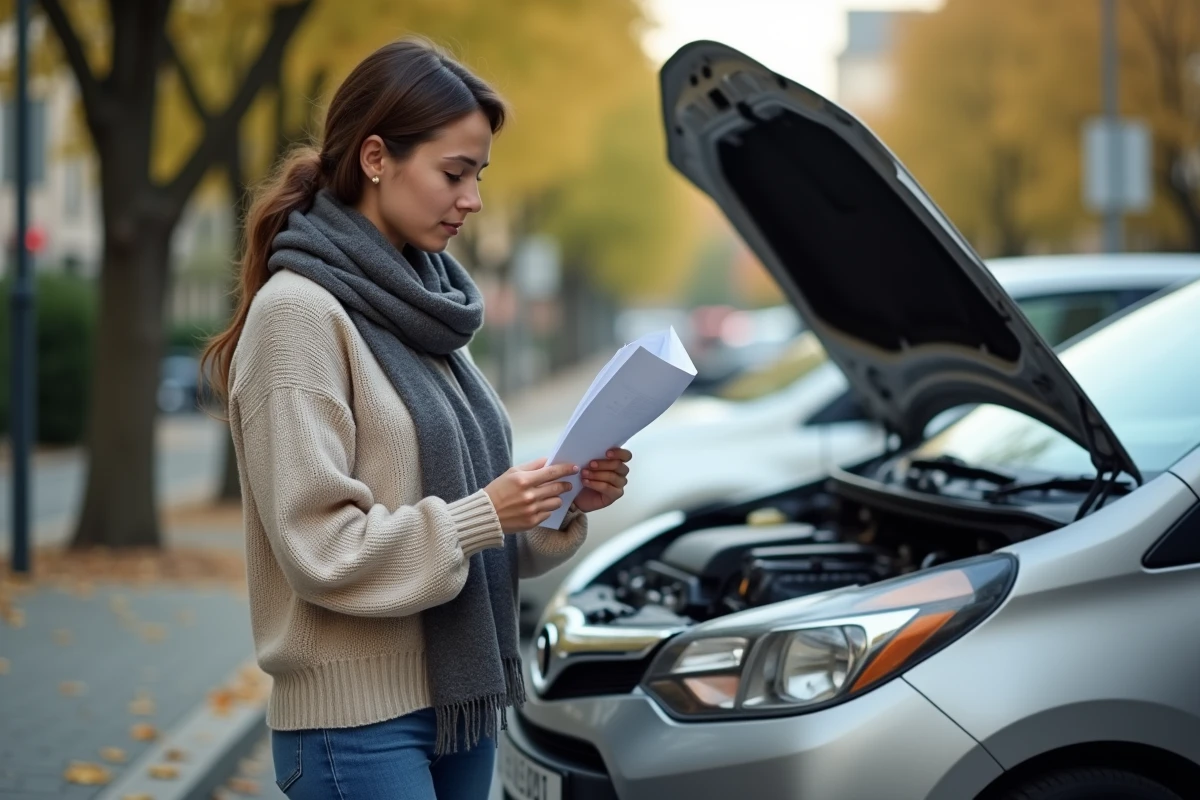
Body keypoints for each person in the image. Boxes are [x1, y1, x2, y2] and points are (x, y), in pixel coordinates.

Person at [201, 37, 633, 800]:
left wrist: (557, 504)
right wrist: (482, 515)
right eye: (453, 172)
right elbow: (321, 548)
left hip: (452, 705)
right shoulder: (299, 316)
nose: (472, 199)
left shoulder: (423, 313)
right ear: (376, 158)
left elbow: (472, 531)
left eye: (478, 175)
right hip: (355, 725)